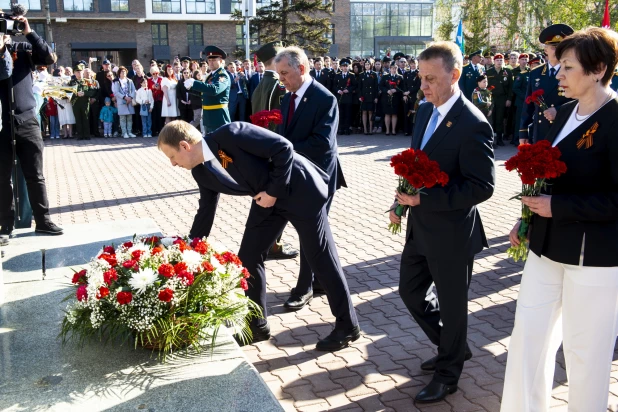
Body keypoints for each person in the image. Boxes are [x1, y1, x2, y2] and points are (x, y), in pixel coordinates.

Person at [158, 120, 360, 351]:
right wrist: (190, 248)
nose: (173, 164)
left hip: (299, 190)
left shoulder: (231, 134)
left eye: (171, 156)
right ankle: (257, 325)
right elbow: (205, 212)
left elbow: (283, 148)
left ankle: (347, 326)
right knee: (248, 258)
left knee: (320, 258)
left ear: (184, 146)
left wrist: (273, 192)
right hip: (267, 201)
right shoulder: (202, 172)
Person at [502, 27, 618, 412]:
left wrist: (560, 207)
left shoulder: (616, 117)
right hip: (545, 247)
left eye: (567, 67)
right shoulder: (565, 112)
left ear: (598, 69)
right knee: (527, 340)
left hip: (594, 258)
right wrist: (527, 217)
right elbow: (544, 175)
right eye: (559, 65)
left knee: (586, 354)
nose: (559, 75)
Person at [389, 41, 495, 403]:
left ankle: (448, 373)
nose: (424, 86)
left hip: (452, 233)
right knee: (410, 291)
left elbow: (482, 187)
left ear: (455, 75)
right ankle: (452, 346)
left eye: (431, 78)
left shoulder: (472, 123)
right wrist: (400, 203)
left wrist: (426, 199)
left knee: (453, 307)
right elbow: (416, 165)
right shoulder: (423, 112)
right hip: (420, 228)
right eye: (421, 78)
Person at [275, 46, 348, 310]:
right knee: (316, 232)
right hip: (297, 174)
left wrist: (283, 150)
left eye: (284, 73)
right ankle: (319, 279)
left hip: (319, 176)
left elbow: (321, 144)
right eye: (278, 73)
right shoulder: (287, 98)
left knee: (310, 231)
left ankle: (304, 287)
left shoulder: (324, 98)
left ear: (301, 69)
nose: (280, 78)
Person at [0, 15, 63, 240]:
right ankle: (5, 225)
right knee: (1, 176)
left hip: (26, 120)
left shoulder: (22, 48)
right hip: (1, 124)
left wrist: (29, 32)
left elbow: (49, 57)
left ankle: (43, 220)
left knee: (35, 175)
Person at [520, 24, 574, 144]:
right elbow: (528, 104)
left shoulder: (573, 71)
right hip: (540, 130)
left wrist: (558, 111)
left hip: (563, 128)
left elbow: (580, 101)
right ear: (546, 50)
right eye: (554, 47)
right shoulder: (536, 73)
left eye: (562, 47)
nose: (558, 50)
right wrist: (523, 131)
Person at [183, 45, 231, 133]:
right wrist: (191, 88)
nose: (211, 63)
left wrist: (195, 83)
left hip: (218, 117)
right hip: (208, 117)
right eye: (209, 60)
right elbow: (205, 93)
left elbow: (215, 90)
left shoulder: (222, 75)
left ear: (221, 61)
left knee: (220, 144)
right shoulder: (211, 76)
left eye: (214, 60)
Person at [486, 53, 513, 146]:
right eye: (497, 60)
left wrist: (509, 99)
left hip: (502, 98)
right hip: (491, 98)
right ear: (494, 61)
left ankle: (499, 139)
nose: (499, 62)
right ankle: (491, 140)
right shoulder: (489, 72)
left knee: (500, 119)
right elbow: (485, 87)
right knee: (491, 118)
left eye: (501, 60)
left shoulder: (507, 72)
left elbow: (510, 87)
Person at [70, 63, 97, 140]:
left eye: (80, 72)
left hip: (85, 102)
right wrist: (76, 94)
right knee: (78, 119)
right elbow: (68, 93)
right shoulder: (72, 82)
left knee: (86, 118)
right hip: (76, 103)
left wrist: (85, 93)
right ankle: (80, 135)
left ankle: (87, 135)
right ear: (74, 73)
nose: (79, 73)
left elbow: (92, 91)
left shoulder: (87, 81)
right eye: (77, 72)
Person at [112, 66, 137, 138]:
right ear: (119, 73)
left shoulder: (130, 81)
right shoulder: (117, 82)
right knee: (122, 118)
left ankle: (129, 132)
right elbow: (116, 92)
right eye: (122, 72)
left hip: (129, 101)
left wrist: (130, 97)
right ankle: (124, 132)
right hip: (121, 101)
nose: (123, 73)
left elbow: (133, 90)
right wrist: (124, 97)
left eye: (124, 72)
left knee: (129, 117)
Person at [333, 58, 356, 135]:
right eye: (343, 66)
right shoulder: (337, 75)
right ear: (341, 67)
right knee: (340, 113)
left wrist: (348, 90)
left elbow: (354, 85)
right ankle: (341, 128)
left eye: (346, 66)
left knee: (348, 113)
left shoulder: (351, 75)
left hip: (348, 97)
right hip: (340, 97)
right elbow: (334, 85)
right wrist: (338, 91)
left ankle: (347, 128)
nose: (345, 68)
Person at [380, 62, 403, 135]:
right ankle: (387, 130)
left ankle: (393, 130)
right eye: (392, 68)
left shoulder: (400, 77)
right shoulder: (385, 77)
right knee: (387, 114)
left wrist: (396, 90)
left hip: (396, 98)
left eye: (395, 68)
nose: (394, 70)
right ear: (390, 69)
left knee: (394, 114)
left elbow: (403, 87)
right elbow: (381, 86)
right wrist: (387, 90)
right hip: (386, 97)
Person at [359, 59, 378, 135]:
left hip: (371, 96)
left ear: (371, 65)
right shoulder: (361, 74)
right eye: (366, 64)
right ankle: (365, 129)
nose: (367, 66)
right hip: (364, 96)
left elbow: (376, 87)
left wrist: (376, 97)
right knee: (364, 112)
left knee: (370, 112)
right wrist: (360, 96)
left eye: (368, 64)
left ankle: (370, 129)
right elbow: (359, 87)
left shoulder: (374, 74)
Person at [403, 57, 421, 136]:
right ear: (409, 64)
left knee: (413, 113)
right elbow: (404, 84)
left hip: (414, 96)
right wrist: (404, 94)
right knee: (406, 113)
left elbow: (418, 86)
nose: (413, 65)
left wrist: (409, 92)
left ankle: (414, 130)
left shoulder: (418, 73)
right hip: (406, 96)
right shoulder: (407, 73)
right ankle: (407, 130)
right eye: (412, 64)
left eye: (415, 64)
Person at [148, 66, 164, 136]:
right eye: (153, 73)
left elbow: (164, 88)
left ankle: (161, 130)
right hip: (152, 99)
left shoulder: (161, 79)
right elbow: (148, 89)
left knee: (160, 115)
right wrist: (153, 87)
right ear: (151, 74)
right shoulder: (149, 80)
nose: (155, 75)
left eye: (157, 73)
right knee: (153, 116)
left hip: (160, 99)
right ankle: (154, 131)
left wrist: (159, 88)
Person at [189, 71, 205, 136]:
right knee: (197, 119)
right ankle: (188, 129)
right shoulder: (194, 83)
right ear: (195, 76)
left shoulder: (203, 83)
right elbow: (194, 94)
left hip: (203, 104)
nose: (199, 76)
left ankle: (203, 132)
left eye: (200, 75)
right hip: (197, 104)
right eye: (198, 75)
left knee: (202, 119)